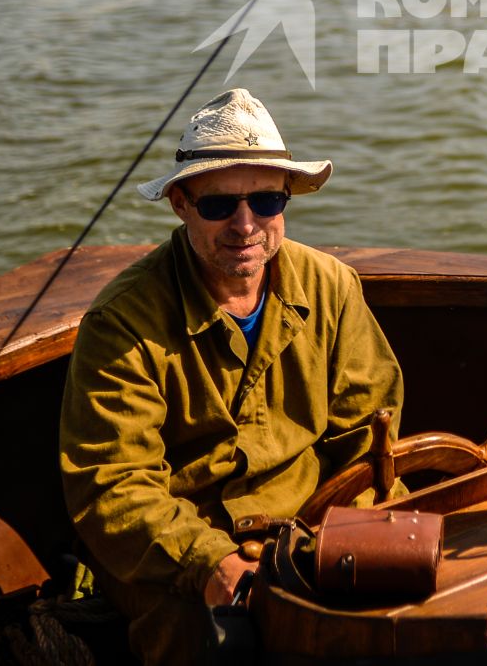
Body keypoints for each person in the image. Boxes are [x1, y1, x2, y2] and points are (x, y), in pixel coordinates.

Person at [60, 88, 403, 666]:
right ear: (180, 203)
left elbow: (367, 437)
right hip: (175, 550)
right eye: (219, 206)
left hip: (312, 523)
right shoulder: (122, 322)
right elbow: (112, 486)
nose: (246, 225)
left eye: (266, 200)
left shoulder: (332, 287)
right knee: (200, 637)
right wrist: (211, 563)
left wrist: (348, 532)